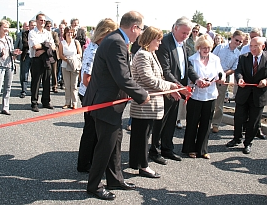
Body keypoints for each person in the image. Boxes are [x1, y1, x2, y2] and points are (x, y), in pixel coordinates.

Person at [83, 11, 150, 200]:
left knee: (115, 143)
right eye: (141, 28)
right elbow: (122, 77)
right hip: (105, 104)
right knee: (105, 146)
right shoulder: (116, 42)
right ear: (134, 27)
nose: (141, 32)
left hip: (110, 104)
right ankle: (94, 186)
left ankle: (115, 179)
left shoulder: (116, 39)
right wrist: (142, 95)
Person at [149, 17, 203, 164]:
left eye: (188, 33)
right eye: (184, 32)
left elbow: (187, 66)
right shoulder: (165, 43)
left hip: (178, 89)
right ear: (175, 28)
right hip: (167, 88)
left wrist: (197, 79)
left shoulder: (183, 44)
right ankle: (154, 150)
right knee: (160, 121)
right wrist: (179, 87)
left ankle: (167, 148)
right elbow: (166, 70)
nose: (186, 35)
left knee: (171, 120)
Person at [129, 26, 177, 178]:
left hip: (149, 104)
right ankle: (143, 166)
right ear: (150, 39)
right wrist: (169, 86)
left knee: (142, 135)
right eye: (158, 40)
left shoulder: (150, 54)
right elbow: (148, 79)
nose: (160, 43)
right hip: (145, 105)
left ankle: (137, 162)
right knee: (142, 136)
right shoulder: (143, 55)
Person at [77, 18, 118, 173]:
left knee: (93, 130)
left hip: (94, 94)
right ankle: (84, 163)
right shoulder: (94, 50)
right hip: (91, 95)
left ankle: (89, 160)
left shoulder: (98, 48)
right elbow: (86, 79)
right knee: (91, 131)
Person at [182, 34, 225, 159]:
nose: (206, 50)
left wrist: (218, 79)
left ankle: (202, 149)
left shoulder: (215, 59)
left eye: (208, 47)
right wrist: (199, 80)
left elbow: (220, 73)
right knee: (192, 122)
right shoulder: (192, 59)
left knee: (206, 123)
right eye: (203, 47)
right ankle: (190, 148)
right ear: (198, 47)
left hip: (210, 94)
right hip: (195, 95)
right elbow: (190, 74)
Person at [226, 37, 267, 154]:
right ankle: (236, 138)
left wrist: (265, 81)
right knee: (239, 118)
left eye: (256, 46)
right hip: (244, 93)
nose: (253, 49)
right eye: (251, 46)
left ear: (263, 47)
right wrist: (240, 79)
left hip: (259, 95)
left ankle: (248, 142)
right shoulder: (243, 58)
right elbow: (238, 71)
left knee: (254, 121)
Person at [0, 20, 21, 120]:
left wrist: (14, 52)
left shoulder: (9, 38)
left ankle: (5, 107)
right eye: (4, 27)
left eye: (7, 27)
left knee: (8, 88)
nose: (6, 29)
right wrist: (0, 54)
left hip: (9, 65)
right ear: (0, 27)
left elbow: (10, 51)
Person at [211, 30, 243, 133]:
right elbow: (211, 58)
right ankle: (202, 121)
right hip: (211, 75)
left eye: (240, 42)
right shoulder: (220, 47)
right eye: (236, 40)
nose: (237, 43)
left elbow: (234, 68)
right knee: (206, 98)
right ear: (232, 38)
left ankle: (215, 123)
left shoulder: (238, 54)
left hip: (225, 77)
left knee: (219, 102)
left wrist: (223, 74)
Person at [28, 13, 55, 112]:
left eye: (44, 20)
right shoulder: (32, 33)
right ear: (36, 21)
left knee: (47, 80)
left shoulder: (48, 33)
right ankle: (34, 102)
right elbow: (35, 46)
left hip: (46, 58)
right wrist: (46, 46)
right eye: (41, 20)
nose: (42, 22)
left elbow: (53, 46)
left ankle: (46, 101)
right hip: (36, 60)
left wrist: (43, 49)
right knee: (36, 81)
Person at [58, 27, 82, 109]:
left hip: (74, 65)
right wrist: (67, 60)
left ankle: (74, 102)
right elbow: (60, 55)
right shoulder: (62, 43)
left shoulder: (76, 42)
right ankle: (67, 102)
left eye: (71, 32)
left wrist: (73, 58)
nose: (70, 34)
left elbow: (80, 53)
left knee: (74, 85)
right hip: (65, 65)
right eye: (68, 32)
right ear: (65, 34)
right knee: (67, 85)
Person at [18, 20, 36, 98]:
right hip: (26, 56)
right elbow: (25, 43)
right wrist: (34, 44)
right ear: (29, 26)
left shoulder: (38, 34)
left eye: (34, 25)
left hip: (35, 56)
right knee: (24, 74)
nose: (33, 27)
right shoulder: (24, 33)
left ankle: (33, 90)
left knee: (34, 75)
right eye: (32, 25)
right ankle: (24, 90)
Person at [45, 21, 60, 93]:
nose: (49, 28)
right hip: (45, 55)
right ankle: (46, 86)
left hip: (53, 55)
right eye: (47, 26)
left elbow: (57, 43)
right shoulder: (43, 34)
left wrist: (49, 46)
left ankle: (54, 86)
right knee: (46, 72)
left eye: (50, 26)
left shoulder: (54, 34)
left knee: (54, 71)